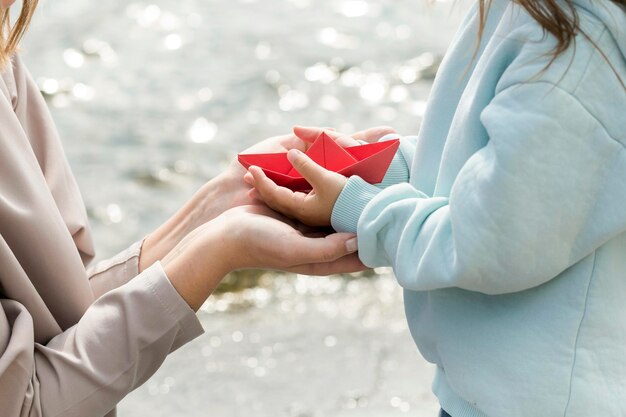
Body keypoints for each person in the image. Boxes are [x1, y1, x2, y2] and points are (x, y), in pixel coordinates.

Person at [0, 1, 400, 416]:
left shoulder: (4, 55)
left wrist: (216, 205)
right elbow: (24, 404)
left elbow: (59, 320)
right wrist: (216, 249)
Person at [246, 0, 626, 416]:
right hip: (484, 388)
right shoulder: (521, 11)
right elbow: (487, 161)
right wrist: (383, 167)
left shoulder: (573, 54)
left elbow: (488, 242)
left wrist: (356, 208)